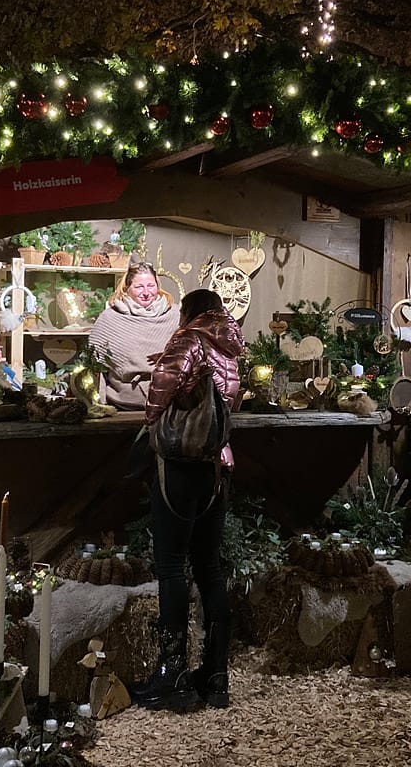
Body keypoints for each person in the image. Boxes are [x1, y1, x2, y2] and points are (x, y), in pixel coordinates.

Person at [133, 289, 244, 711]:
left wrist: (151, 419)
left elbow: (164, 384)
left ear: (189, 311)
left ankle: (173, 673)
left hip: (179, 464)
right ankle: (216, 675)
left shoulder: (188, 337)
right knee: (209, 567)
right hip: (216, 465)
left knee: (170, 566)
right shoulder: (232, 345)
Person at [88, 262, 180, 410]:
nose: (146, 292)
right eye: (139, 287)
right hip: (123, 404)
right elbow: (94, 364)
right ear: (127, 288)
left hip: (169, 403)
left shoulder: (176, 316)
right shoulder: (110, 318)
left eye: (151, 285)